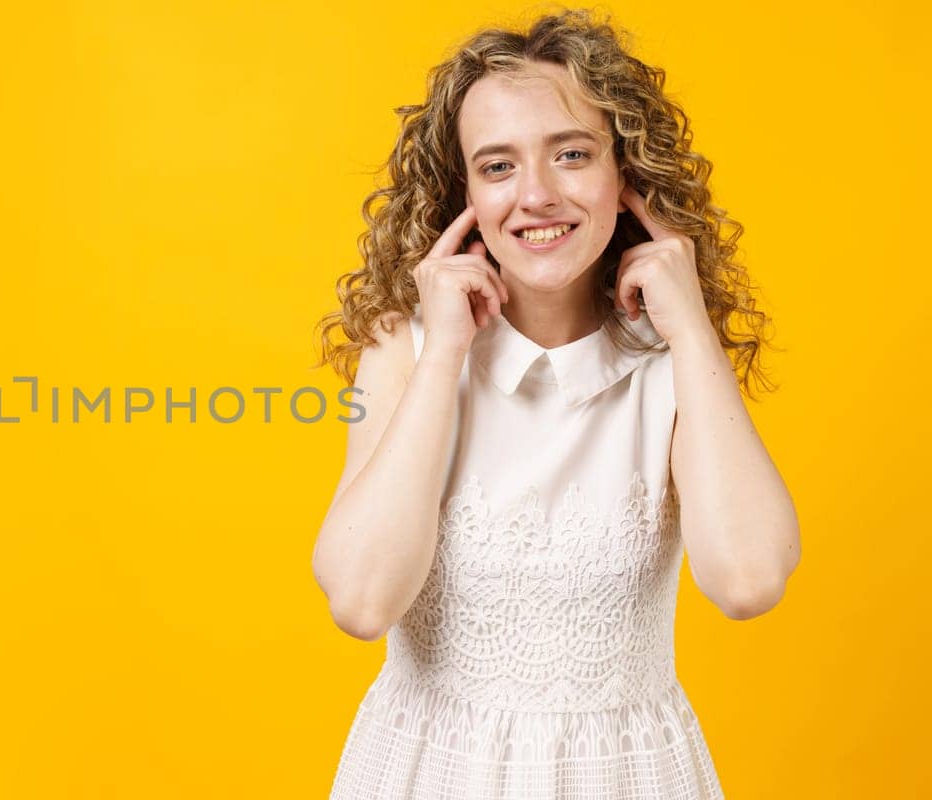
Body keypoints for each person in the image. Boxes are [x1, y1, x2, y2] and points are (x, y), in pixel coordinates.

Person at [309, 9, 801, 799]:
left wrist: (693, 333)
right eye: (497, 167)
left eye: (571, 155)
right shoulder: (403, 348)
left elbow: (747, 581)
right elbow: (363, 601)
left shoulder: (675, 358)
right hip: (429, 771)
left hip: (628, 776)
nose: (536, 196)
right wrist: (443, 355)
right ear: (460, 193)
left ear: (626, 176)